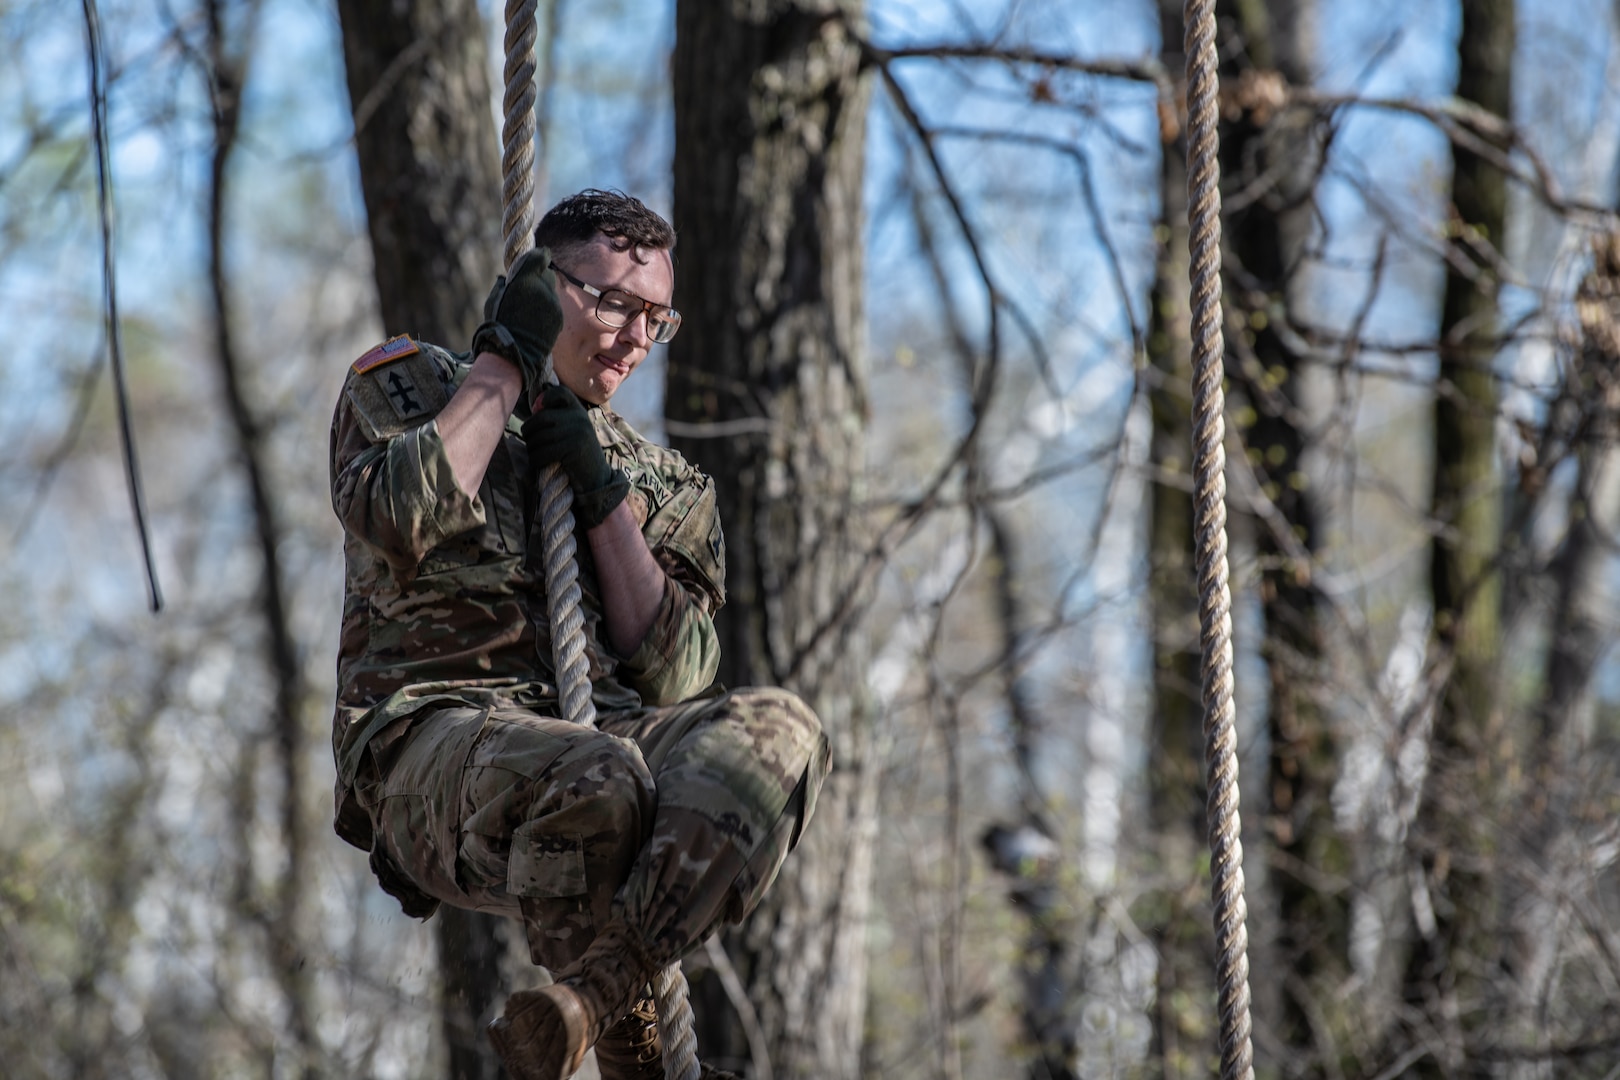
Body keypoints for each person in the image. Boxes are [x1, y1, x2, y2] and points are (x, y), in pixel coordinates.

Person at [329, 189, 829, 1080]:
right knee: (598, 774)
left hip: (601, 748)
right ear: (542, 285)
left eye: (656, 317)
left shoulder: (664, 483)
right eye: (612, 303)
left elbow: (678, 672)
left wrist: (602, 499)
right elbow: (398, 514)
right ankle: (628, 1046)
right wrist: (503, 370)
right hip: (428, 747)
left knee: (779, 732)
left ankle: (591, 1003)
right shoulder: (412, 386)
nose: (637, 337)